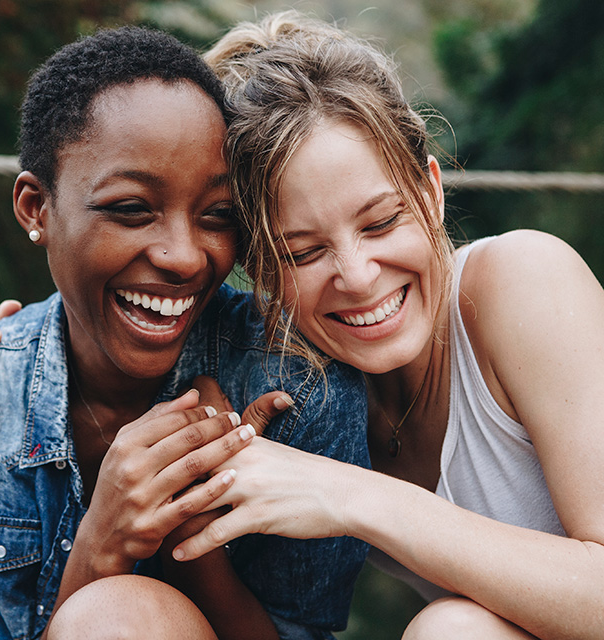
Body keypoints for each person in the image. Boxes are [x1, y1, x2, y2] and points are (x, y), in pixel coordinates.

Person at [163, 12, 604, 640]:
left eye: (380, 223)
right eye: (303, 253)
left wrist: (352, 497)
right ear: (259, 270)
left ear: (428, 190)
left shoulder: (523, 281)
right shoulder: (308, 391)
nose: (359, 276)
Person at [0, 25, 370, 640]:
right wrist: (102, 547)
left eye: (218, 216)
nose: (184, 257)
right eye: (131, 209)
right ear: (36, 208)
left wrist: (196, 533)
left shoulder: (298, 389)